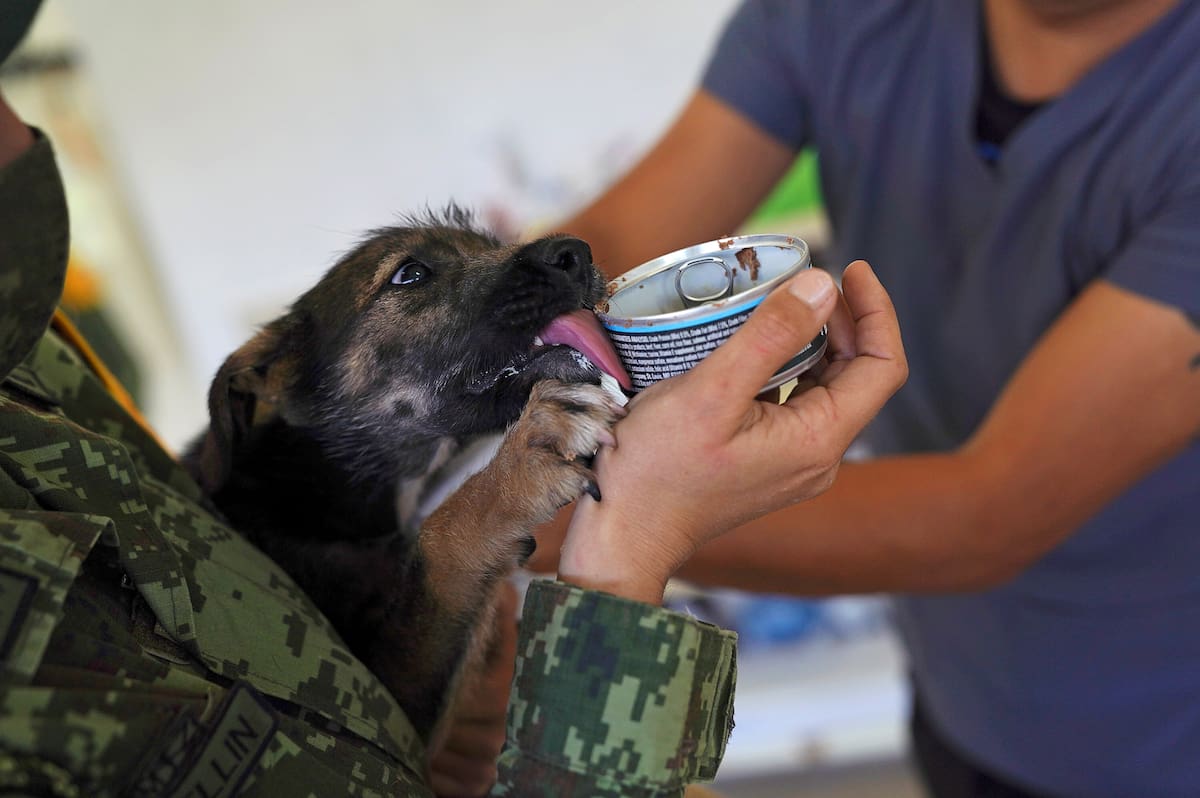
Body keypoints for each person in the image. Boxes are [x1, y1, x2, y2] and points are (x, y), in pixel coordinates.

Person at [0, 4, 906, 796]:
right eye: (413, 277)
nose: (18, 128)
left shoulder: (35, 362)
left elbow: (339, 701)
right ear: (266, 386)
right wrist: (631, 537)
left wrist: (444, 666)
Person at [507, 1, 1200, 797]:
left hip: (1155, 731)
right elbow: (608, 248)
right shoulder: (841, 17)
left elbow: (993, 513)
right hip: (960, 685)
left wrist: (586, 519)